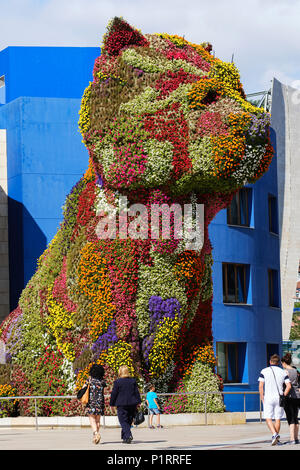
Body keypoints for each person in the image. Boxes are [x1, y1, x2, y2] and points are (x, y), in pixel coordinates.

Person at [258, 353, 291, 446]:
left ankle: (274, 434)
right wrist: (283, 395)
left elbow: (261, 386)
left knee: (268, 418)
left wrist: (262, 397)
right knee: (277, 419)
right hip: (279, 397)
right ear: (278, 363)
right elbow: (288, 386)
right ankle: (276, 438)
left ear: (270, 361)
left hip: (268, 397)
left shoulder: (264, 371)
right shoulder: (282, 372)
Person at [110, 365, 141, 444]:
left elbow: (114, 394)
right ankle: (125, 438)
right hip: (132, 404)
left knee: (123, 421)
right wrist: (138, 402)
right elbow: (136, 392)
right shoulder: (133, 381)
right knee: (128, 421)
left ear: (120, 372)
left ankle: (128, 435)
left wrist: (112, 404)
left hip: (121, 404)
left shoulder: (117, 382)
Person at [281, 353, 300, 444]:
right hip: (297, 396)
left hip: (289, 396)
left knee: (290, 418)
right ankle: (296, 438)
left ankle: (292, 439)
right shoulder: (296, 371)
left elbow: (285, 384)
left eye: (282, 363)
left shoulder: (285, 372)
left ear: (284, 362)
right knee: (295, 418)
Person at [85, 363, 106, 444]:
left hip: (91, 402)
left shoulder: (89, 380)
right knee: (97, 420)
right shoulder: (102, 381)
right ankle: (95, 437)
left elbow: (83, 388)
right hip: (100, 403)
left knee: (92, 419)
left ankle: (96, 434)